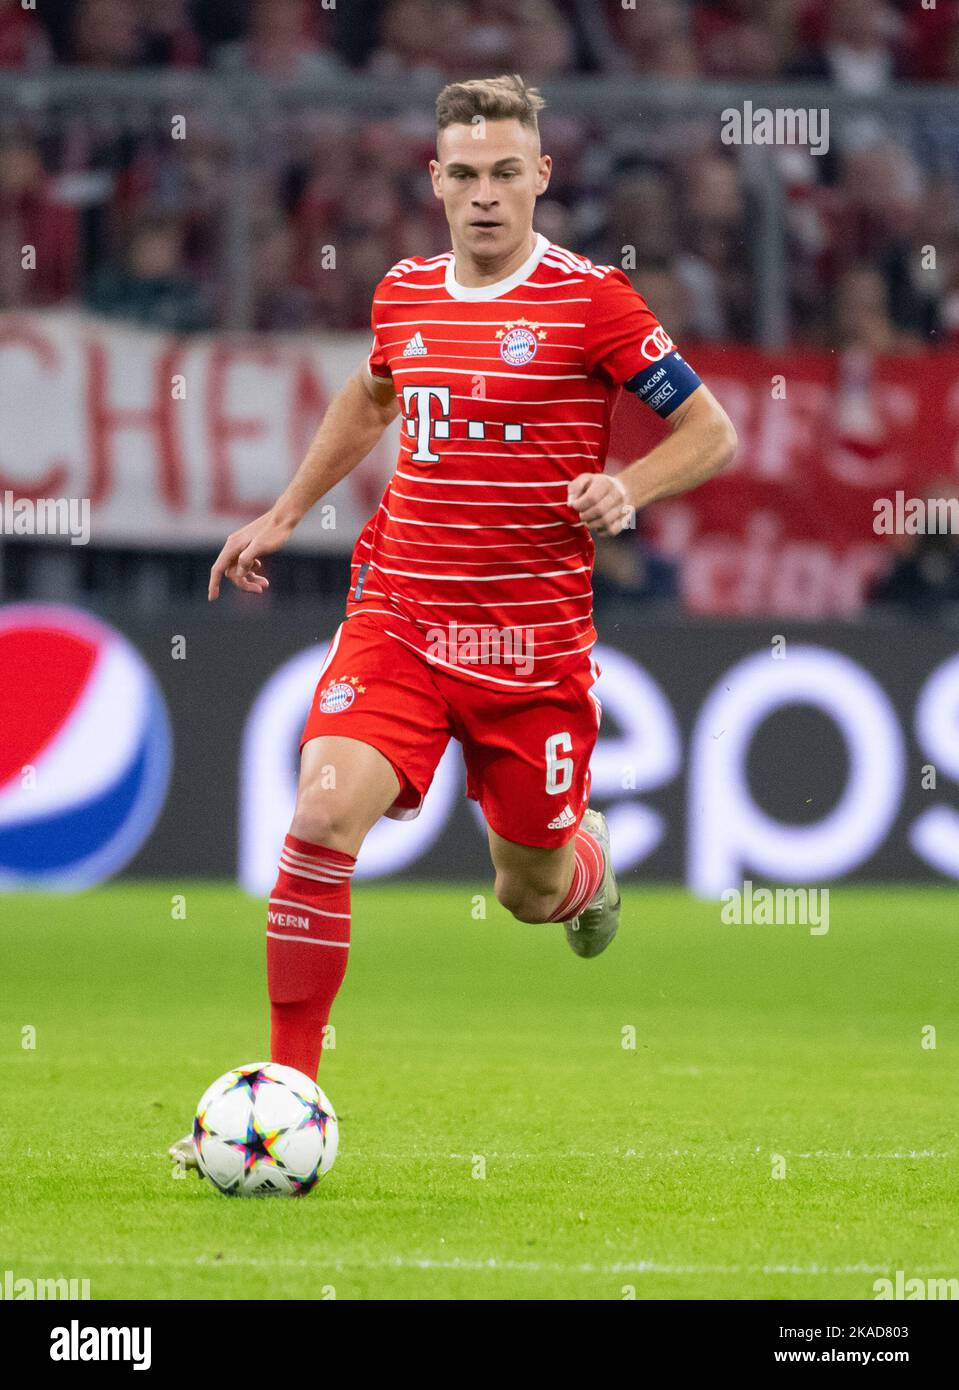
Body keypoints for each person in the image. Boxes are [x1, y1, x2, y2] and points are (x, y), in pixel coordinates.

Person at [170, 74, 736, 1168]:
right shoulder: (403, 292)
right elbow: (373, 395)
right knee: (322, 815)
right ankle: (287, 1094)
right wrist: (287, 510)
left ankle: (584, 865)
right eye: (463, 175)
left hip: (530, 647)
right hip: (400, 614)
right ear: (435, 180)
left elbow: (709, 430)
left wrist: (629, 487)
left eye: (504, 174)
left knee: (525, 892)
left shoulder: (592, 303)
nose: (483, 195)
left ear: (541, 177)